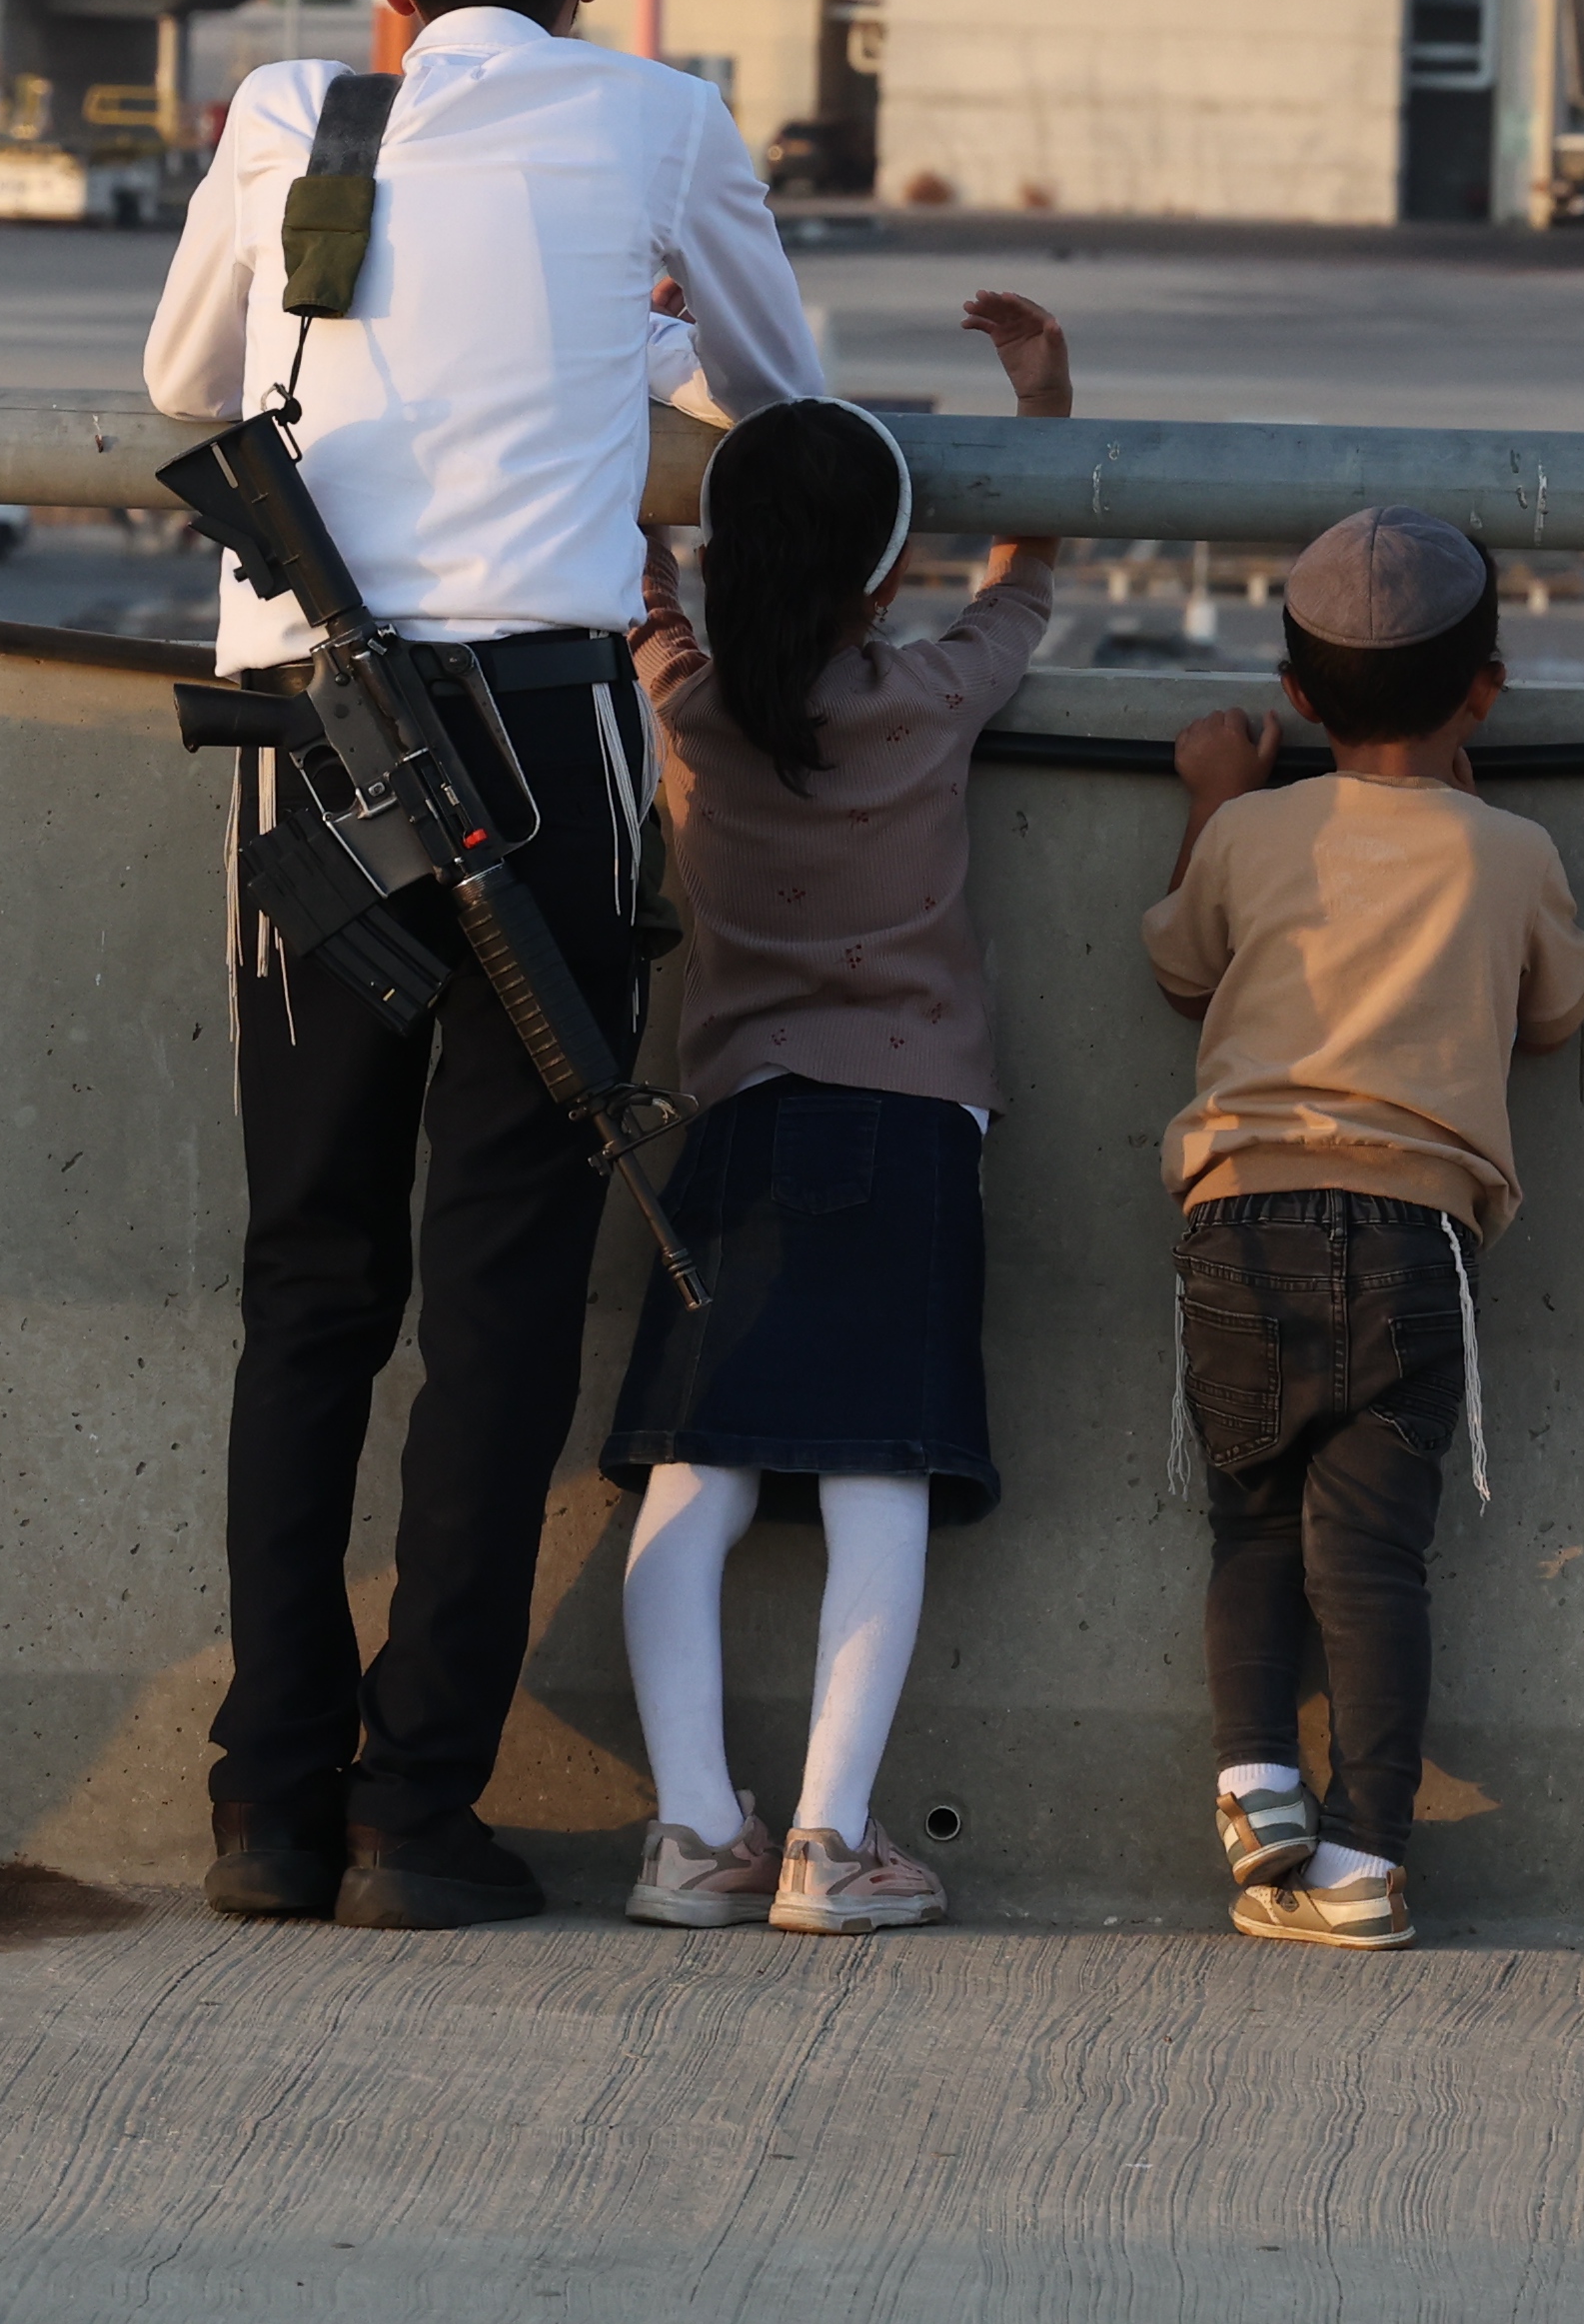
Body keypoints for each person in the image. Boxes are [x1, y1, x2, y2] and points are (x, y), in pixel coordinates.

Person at [142, 0, 822, 1931]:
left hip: (311, 736)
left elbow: (184, 377)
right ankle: (417, 1814)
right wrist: (614, 352)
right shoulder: (661, 116)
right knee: (504, 1275)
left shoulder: (285, 112)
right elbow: (787, 399)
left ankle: (267, 1800)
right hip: (535, 728)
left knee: (308, 1273)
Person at [606, 290, 1075, 1937]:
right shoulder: (934, 694)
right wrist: (1044, 395)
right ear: (890, 573)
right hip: (911, 1126)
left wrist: (636, 348)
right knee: (882, 1474)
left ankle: (686, 1832)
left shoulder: (685, 703)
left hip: (733, 1117)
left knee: (694, 1467)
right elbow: (1033, 575)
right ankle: (826, 1841)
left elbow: (631, 562)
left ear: (722, 565)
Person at [1140, 506, 1584, 1953]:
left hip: (1239, 1218)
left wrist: (1212, 801)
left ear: (1291, 695)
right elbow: (1560, 1013)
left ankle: (1256, 1778)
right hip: (1412, 1235)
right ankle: (1363, 1863)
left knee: (1250, 1525)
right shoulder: (1509, 850)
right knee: (1374, 1558)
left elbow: (1178, 963)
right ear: (1487, 691)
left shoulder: (1258, 829)